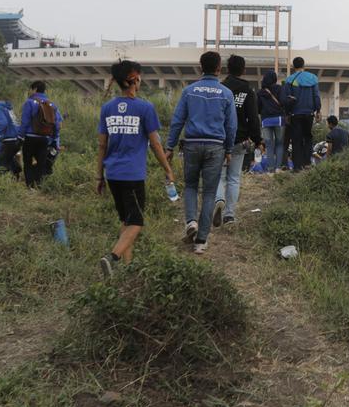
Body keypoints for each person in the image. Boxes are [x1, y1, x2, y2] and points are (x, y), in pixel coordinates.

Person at [97, 60, 176, 277]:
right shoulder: (145, 108)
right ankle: (111, 258)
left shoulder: (107, 108)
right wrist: (168, 169)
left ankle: (128, 268)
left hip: (112, 174)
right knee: (137, 223)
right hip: (132, 175)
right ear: (134, 80)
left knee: (126, 221)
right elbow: (155, 144)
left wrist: (99, 177)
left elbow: (102, 144)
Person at [166, 51, 237, 255]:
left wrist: (170, 147)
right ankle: (201, 241)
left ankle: (191, 222)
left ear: (200, 67)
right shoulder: (226, 93)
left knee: (189, 185)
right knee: (208, 192)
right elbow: (231, 125)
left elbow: (177, 120)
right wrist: (229, 149)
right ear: (218, 69)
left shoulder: (189, 91)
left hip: (192, 144)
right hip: (216, 146)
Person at [212, 55, 262, 227]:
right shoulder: (247, 91)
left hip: (219, 139)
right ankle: (229, 215)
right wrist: (257, 139)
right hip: (239, 140)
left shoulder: (219, 88)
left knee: (220, 176)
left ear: (227, 68)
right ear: (243, 69)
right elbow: (253, 118)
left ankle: (219, 199)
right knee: (234, 177)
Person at [18, 80, 62, 188]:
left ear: (35, 89)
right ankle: (39, 185)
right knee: (41, 162)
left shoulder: (29, 102)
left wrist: (20, 136)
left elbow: (25, 122)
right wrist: (54, 138)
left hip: (30, 137)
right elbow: (56, 124)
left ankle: (30, 186)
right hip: (44, 138)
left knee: (28, 162)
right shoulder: (51, 104)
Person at [283, 57, 321, 172]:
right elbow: (316, 96)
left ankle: (297, 166)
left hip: (295, 114)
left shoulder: (289, 79)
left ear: (293, 66)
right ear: (304, 65)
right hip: (309, 113)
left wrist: (288, 114)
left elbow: (287, 99)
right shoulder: (313, 78)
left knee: (296, 140)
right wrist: (318, 110)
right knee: (308, 138)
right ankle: (307, 163)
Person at [257, 71, 288, 171]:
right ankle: (278, 168)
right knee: (279, 144)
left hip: (265, 120)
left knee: (269, 145)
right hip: (278, 119)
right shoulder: (279, 88)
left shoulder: (260, 92)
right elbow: (283, 102)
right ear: (274, 78)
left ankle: (270, 169)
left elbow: (258, 108)